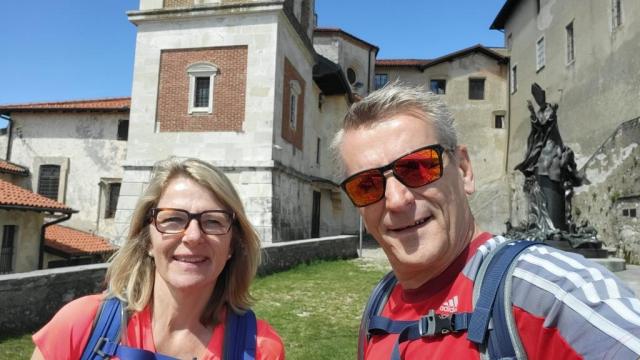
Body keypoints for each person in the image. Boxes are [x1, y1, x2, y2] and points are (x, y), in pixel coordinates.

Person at [332, 83, 640, 359]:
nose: (397, 200)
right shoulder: (378, 306)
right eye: (367, 185)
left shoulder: (551, 294)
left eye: (418, 168)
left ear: (464, 170)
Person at [31, 157, 284, 359]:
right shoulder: (80, 324)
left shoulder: (261, 349)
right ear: (147, 240)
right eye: (173, 219)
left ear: (232, 246)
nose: (193, 236)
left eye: (213, 221)